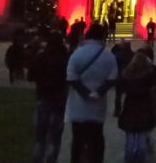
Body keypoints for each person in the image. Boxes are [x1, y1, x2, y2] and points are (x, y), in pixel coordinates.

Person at [66, 23, 119, 163]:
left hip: (78, 105)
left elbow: (71, 77)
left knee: (77, 140)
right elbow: (112, 78)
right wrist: (99, 92)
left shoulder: (77, 53)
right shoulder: (108, 56)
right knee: (96, 139)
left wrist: (85, 93)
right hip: (97, 107)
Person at [118, 49, 156, 163]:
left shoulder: (127, 74)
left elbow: (120, 87)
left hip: (130, 107)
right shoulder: (150, 73)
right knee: (142, 136)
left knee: (131, 137)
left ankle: (129, 158)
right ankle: (140, 158)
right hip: (145, 107)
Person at [29, 32, 68, 163]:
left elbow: (30, 76)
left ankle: (37, 158)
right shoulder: (65, 58)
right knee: (55, 135)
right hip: (59, 98)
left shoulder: (41, 57)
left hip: (43, 96)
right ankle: (51, 159)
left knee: (40, 135)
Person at [111, 40, 134, 117]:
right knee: (130, 94)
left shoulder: (118, 55)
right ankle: (129, 110)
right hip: (130, 77)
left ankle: (117, 111)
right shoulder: (133, 55)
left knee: (118, 95)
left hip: (119, 76)